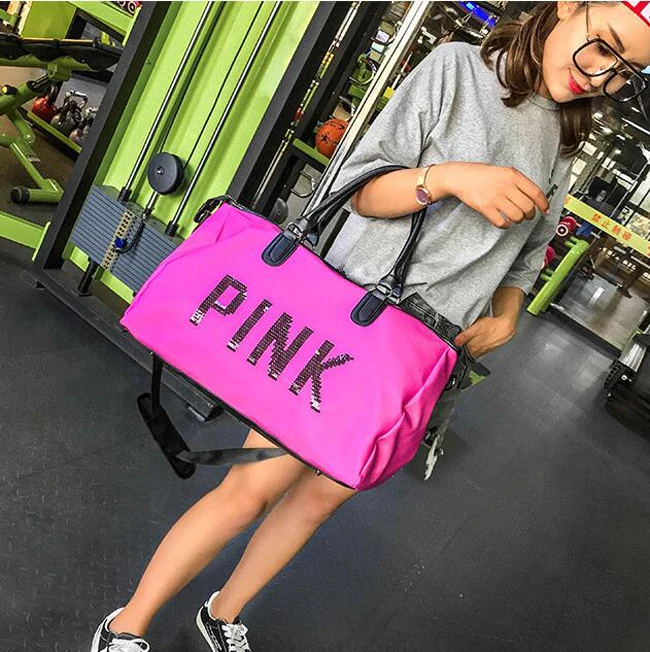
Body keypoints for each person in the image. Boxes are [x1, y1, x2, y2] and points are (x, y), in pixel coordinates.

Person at [90, 3, 650, 651]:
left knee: (321, 499)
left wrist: (508, 312)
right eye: (602, 46)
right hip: (354, 328)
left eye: (625, 71)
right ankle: (125, 626)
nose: (602, 75)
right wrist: (447, 179)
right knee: (252, 488)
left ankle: (221, 612)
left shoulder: (562, 141)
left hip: (425, 356)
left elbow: (528, 250)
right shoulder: (458, 69)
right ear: (568, 7)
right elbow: (360, 189)